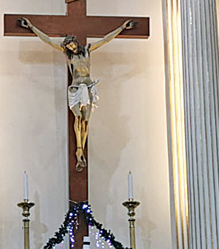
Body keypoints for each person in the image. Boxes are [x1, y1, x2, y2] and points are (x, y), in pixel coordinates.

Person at [18, 17, 135, 171]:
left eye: (72, 44)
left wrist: (122, 28)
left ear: (75, 42)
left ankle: (81, 150)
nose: (71, 47)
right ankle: (79, 149)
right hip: (75, 88)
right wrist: (31, 27)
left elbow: (105, 40)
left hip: (87, 87)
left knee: (86, 121)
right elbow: (48, 40)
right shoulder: (69, 55)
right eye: (68, 46)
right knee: (77, 118)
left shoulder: (87, 50)